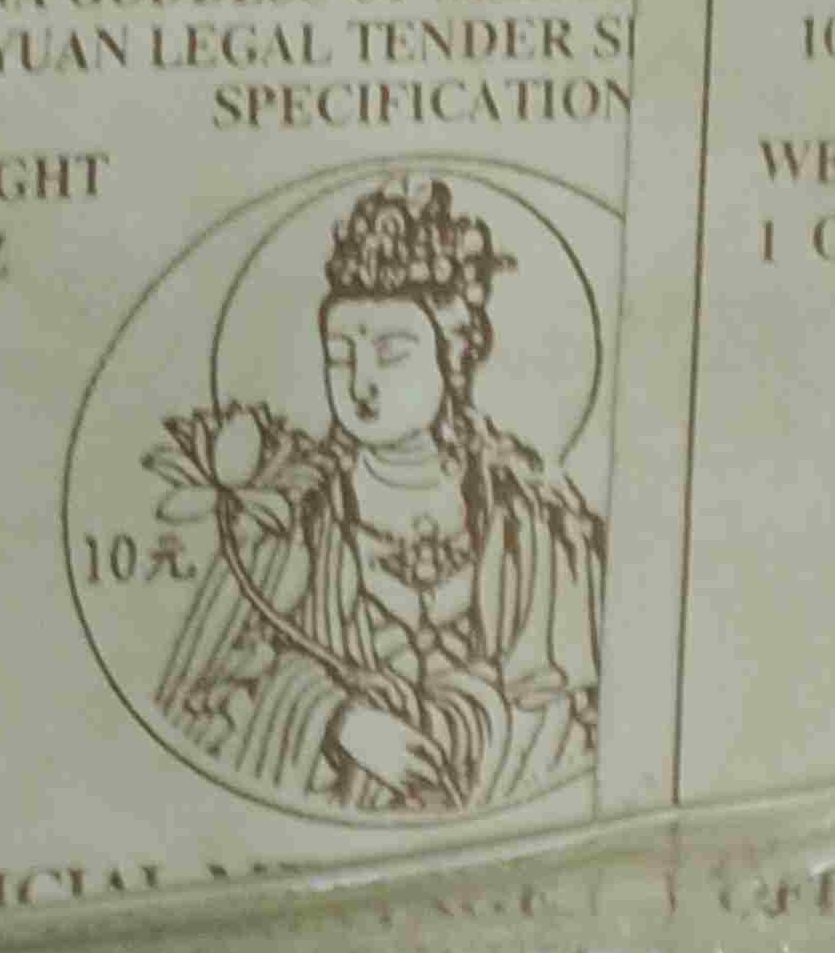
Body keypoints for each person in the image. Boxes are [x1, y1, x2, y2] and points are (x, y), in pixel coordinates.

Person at [153, 176, 605, 813]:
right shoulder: (289, 517)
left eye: (391, 354)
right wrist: (335, 723)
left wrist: (474, 729)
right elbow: (201, 707)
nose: (361, 383)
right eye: (340, 357)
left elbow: (585, 711)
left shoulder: (531, 515)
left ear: (454, 359)